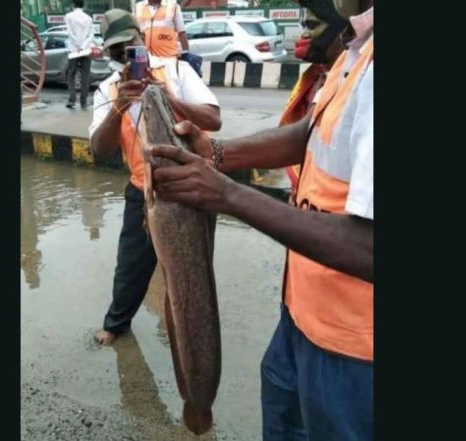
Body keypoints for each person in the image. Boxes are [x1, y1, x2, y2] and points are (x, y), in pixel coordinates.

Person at [148, 1, 374, 439]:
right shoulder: (357, 46)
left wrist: (228, 195)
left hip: (354, 349)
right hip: (301, 315)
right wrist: (217, 154)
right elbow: (309, 132)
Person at [88, 9, 221, 346]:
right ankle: (116, 323)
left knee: (194, 266)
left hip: (193, 184)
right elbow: (99, 149)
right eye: (116, 51)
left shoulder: (178, 69)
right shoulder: (107, 90)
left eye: (129, 45)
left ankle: (190, 330)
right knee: (131, 264)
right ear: (108, 52)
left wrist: (168, 98)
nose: (124, 56)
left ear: (140, 37)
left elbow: (213, 118)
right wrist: (120, 104)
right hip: (144, 191)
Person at [281, 2, 349, 195]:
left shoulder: (353, 80)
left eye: (311, 26)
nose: (303, 35)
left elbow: (300, 138)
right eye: (303, 26)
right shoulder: (316, 76)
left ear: (344, 31)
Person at [64, 0, 94, 109]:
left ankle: (72, 99)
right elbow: (91, 35)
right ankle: (83, 102)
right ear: (83, 5)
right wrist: (83, 45)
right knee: (85, 75)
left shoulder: (69, 16)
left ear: (73, 5)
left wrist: (77, 44)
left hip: (73, 49)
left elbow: (69, 32)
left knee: (71, 74)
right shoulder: (89, 18)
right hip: (86, 50)